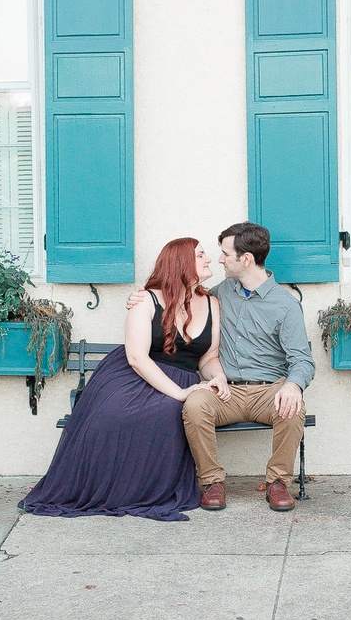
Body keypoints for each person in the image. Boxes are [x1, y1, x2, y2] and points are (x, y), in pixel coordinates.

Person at [18, 238, 229, 521]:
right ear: (180, 263)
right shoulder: (146, 300)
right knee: (119, 414)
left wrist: (218, 378)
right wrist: (179, 392)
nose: (208, 259)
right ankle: (112, 490)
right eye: (200, 255)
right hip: (134, 376)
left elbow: (208, 357)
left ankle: (146, 490)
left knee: (170, 412)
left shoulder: (212, 303)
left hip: (181, 378)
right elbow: (137, 359)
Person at [127, 222, 315, 512]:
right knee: (194, 404)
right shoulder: (219, 293)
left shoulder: (285, 305)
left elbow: (302, 359)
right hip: (226, 389)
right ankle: (212, 482)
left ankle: (277, 483)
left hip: (269, 391)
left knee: (293, 407)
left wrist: (293, 385)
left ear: (246, 259)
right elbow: (179, 292)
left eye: (226, 253)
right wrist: (141, 296)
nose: (219, 259)